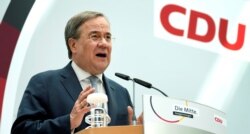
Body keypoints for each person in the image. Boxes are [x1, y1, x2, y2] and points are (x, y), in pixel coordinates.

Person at [11, 11, 142, 134]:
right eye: (95, 36)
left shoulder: (121, 93)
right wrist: (69, 121)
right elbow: (21, 130)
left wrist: (136, 131)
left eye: (108, 37)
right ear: (73, 45)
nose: (104, 43)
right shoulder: (44, 83)